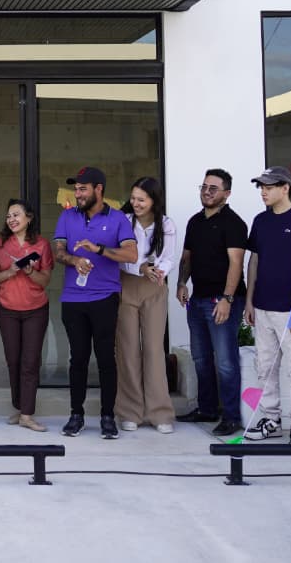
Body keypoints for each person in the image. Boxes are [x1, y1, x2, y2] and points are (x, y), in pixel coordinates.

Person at [52, 166, 137, 439]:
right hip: (72, 298)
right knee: (77, 359)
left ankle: (107, 417)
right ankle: (76, 415)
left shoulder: (119, 219)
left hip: (104, 298)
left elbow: (131, 254)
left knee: (105, 360)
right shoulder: (67, 216)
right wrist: (74, 259)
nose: (77, 193)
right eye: (75, 189)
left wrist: (99, 249)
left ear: (98, 189)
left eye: (82, 189)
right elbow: (58, 251)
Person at [244, 166, 291, 445]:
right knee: (264, 366)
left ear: (285, 187)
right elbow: (254, 261)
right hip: (262, 308)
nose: (263, 191)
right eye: (261, 187)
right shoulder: (260, 221)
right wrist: (249, 300)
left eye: (269, 186)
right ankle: (271, 419)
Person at [176, 169, 248, 438]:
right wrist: (182, 283)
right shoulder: (195, 221)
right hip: (197, 300)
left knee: (226, 362)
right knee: (201, 357)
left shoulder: (234, 223)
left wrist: (228, 299)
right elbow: (187, 257)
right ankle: (207, 409)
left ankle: (231, 416)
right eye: (204, 187)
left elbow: (236, 264)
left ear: (226, 193)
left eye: (213, 188)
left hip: (223, 300)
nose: (207, 192)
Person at [116, 176, 178, 434]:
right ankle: (130, 411)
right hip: (127, 284)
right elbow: (116, 257)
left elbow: (169, 256)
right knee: (128, 349)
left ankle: (160, 412)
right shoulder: (123, 221)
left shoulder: (166, 224)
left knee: (153, 349)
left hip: (154, 287)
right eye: (133, 198)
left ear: (154, 200)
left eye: (141, 199)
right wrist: (139, 267)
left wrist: (157, 271)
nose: (136, 203)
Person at [0, 199, 53, 432]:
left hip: (35, 309)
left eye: (16, 215)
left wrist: (30, 271)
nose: (12, 219)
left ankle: (27, 414)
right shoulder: (1, 244)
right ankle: (19, 405)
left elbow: (45, 280)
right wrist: (10, 271)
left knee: (30, 362)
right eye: (8, 216)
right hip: (7, 310)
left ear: (29, 218)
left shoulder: (42, 245)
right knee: (13, 360)